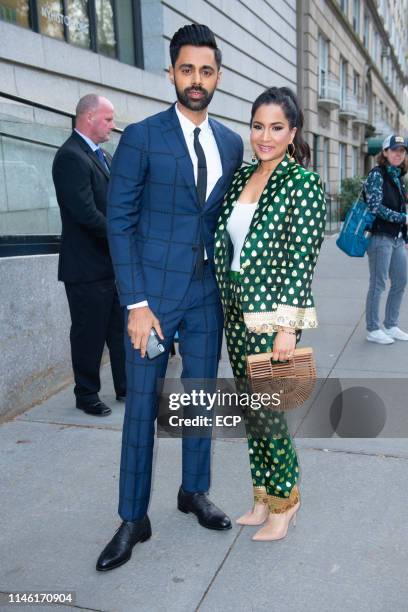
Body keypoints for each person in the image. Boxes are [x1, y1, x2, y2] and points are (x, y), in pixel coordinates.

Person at [97, 24, 243, 572]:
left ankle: (194, 491)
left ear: (217, 77)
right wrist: (135, 303)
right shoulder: (141, 136)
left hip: (206, 297)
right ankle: (133, 517)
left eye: (206, 71)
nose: (197, 80)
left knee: (200, 399)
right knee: (141, 409)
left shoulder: (230, 143)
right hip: (152, 303)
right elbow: (120, 221)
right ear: (172, 73)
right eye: (187, 69)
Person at [214, 87, 326, 541]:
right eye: (258, 126)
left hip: (270, 317)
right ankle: (262, 495)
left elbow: (301, 262)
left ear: (292, 132)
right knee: (252, 411)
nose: (265, 136)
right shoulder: (242, 178)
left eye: (276, 127)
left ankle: (286, 500)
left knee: (271, 413)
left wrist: (287, 328)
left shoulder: (304, 184)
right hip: (234, 310)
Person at [52, 94, 126, 417]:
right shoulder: (70, 157)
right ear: (89, 117)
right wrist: (120, 236)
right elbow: (85, 213)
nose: (113, 125)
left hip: (109, 265)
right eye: (108, 119)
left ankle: (126, 388)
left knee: (119, 333)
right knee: (88, 335)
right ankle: (86, 393)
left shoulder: (103, 155)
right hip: (85, 268)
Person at [364, 135, 408, 344]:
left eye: (402, 150)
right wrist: (402, 218)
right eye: (394, 150)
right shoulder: (377, 175)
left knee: (400, 281)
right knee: (378, 284)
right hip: (380, 237)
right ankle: (373, 329)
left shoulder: (397, 176)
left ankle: (390, 325)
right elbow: (375, 207)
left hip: (397, 238)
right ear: (385, 152)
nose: (398, 154)